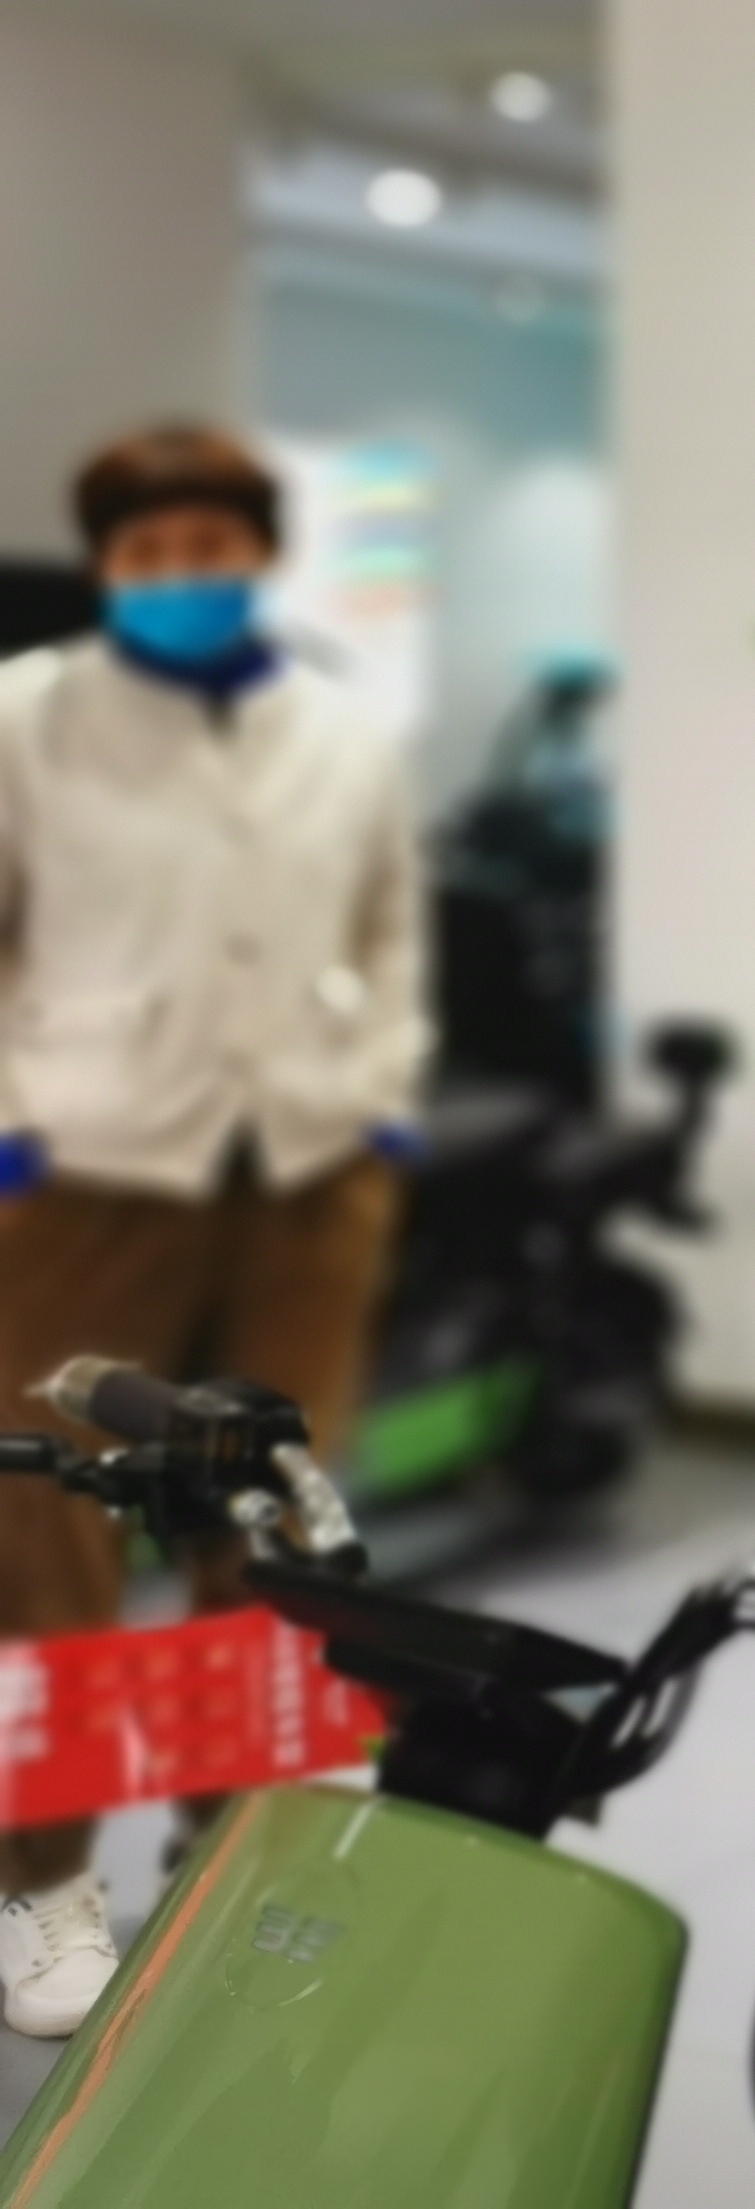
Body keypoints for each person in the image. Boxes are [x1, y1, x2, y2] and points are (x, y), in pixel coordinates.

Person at [0, 424, 425, 2037]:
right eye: (148, 551)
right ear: (109, 566)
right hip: (82, 1178)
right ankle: (41, 1886)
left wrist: (381, 1095)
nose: (183, 574)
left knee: (270, 1529)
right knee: (44, 1537)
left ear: (259, 552)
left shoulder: (344, 731)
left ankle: (232, 1848)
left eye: (211, 544)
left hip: (304, 1174)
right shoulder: (26, 719)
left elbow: (393, 924)